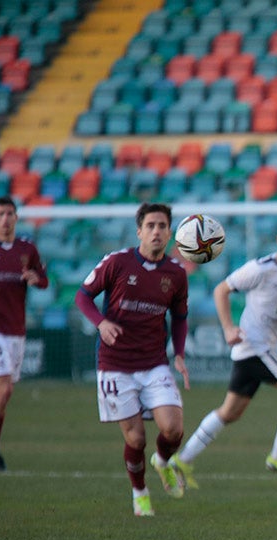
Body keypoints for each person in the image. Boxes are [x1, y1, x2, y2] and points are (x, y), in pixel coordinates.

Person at [171, 216, 277, 486]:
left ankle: (182, 459)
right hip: (253, 348)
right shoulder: (260, 269)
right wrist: (228, 328)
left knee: (230, 413)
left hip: (257, 351)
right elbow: (221, 290)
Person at [76, 202, 189, 516]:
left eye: (162, 226)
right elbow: (82, 296)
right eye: (150, 225)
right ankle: (139, 491)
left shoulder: (176, 273)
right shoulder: (117, 262)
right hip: (115, 365)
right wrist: (101, 322)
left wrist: (178, 354)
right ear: (139, 231)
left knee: (173, 429)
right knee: (136, 439)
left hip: (154, 363)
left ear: (170, 233)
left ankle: (163, 461)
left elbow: (180, 317)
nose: (156, 231)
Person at [0, 196, 49, 472]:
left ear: (16, 218)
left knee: (5, 392)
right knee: (2, 391)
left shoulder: (27, 249)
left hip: (17, 331)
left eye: (10, 213)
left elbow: (43, 280)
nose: (5, 218)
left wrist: (35, 280)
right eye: (0, 213)